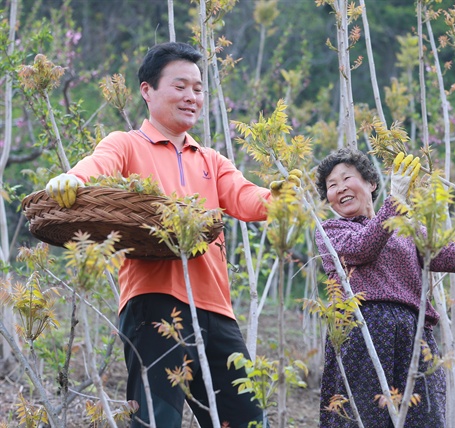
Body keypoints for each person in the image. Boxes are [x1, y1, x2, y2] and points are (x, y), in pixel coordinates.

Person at [45, 42, 297, 428]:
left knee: (246, 420)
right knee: (156, 420)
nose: (191, 96)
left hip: (216, 310)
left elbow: (248, 200)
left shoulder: (211, 159)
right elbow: (97, 167)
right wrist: (71, 179)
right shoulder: (126, 144)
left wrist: (277, 196)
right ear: (147, 90)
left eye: (197, 89)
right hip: (155, 304)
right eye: (180, 86)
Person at [314, 147, 455, 427]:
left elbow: (446, 255)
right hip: (362, 331)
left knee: (423, 417)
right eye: (331, 185)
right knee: (363, 417)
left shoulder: (404, 227)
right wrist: (395, 200)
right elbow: (364, 247)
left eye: (346, 178)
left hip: (414, 333)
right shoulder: (330, 231)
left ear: (371, 183)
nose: (340, 188)